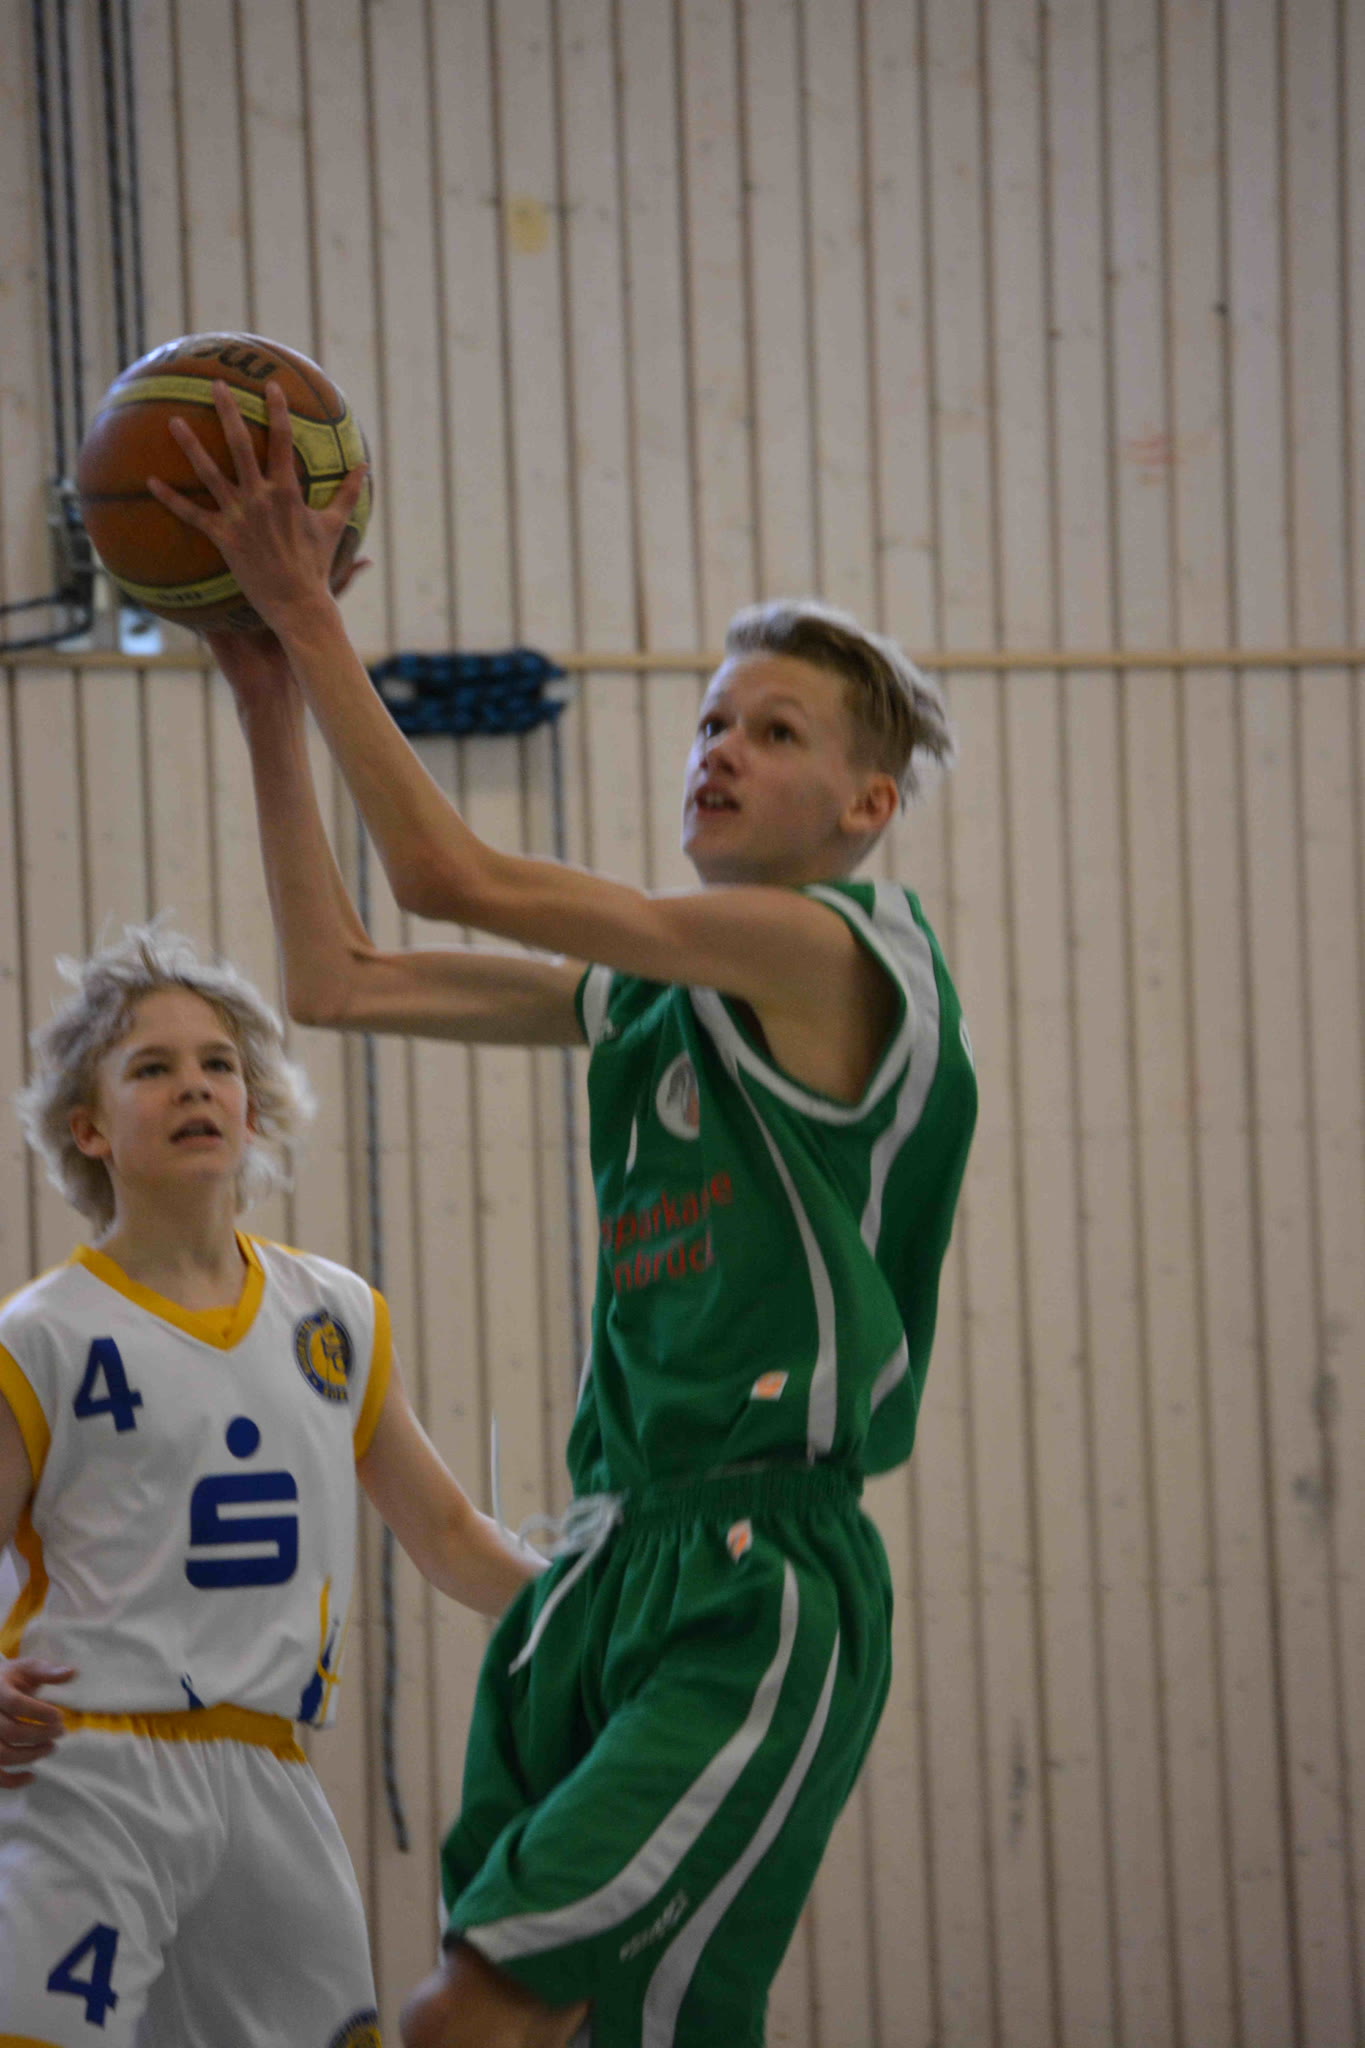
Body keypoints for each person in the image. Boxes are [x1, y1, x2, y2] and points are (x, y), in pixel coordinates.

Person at [149, 383, 978, 2048]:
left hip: (759, 1571)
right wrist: (262, 692)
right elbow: (340, 977)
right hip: (606, 1560)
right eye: (710, 721)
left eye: (777, 732)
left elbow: (449, 877)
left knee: (470, 2011)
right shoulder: (655, 998)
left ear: (867, 806)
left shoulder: (838, 947)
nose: (720, 749)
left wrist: (310, 613)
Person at [0, 925, 541, 2048]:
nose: (196, 1084)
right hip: (91, 1767)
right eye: (153, 1067)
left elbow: (448, 1534)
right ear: (88, 1126)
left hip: (271, 1770)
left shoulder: (335, 1313)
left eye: (219, 1063)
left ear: (251, 1106)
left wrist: (601, 1609)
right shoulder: (42, 1335)